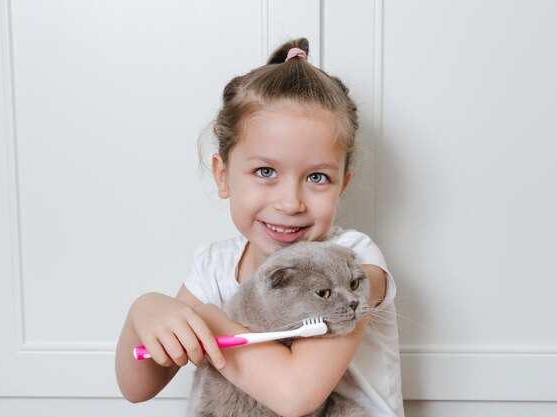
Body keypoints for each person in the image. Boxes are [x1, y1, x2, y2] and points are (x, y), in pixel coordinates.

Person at [115, 38, 404, 417]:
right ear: (223, 176)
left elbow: (294, 396)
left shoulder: (354, 264)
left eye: (317, 177)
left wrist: (210, 319)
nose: (290, 202)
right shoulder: (214, 267)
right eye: (265, 171)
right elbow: (138, 387)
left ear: (342, 186)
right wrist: (145, 311)